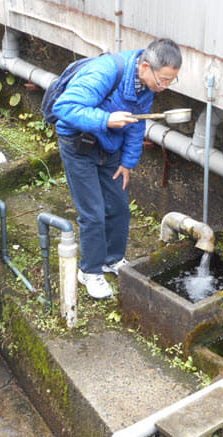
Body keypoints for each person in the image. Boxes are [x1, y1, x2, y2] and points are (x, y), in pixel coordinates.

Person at [51, 38, 182, 299]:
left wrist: (127, 163)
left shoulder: (146, 86)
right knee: (93, 213)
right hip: (79, 145)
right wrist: (106, 119)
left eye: (172, 80)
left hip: (109, 147)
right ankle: (89, 271)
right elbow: (64, 107)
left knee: (119, 206)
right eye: (164, 80)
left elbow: (135, 125)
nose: (165, 87)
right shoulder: (106, 72)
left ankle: (112, 259)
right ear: (145, 66)